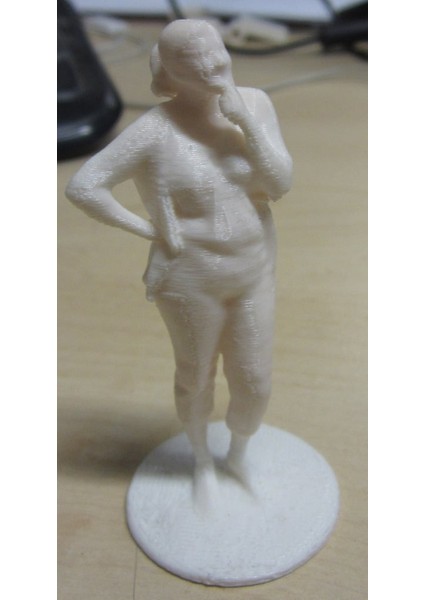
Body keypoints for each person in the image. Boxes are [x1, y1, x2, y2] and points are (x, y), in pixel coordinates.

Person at [66, 19, 292, 505]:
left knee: (254, 380)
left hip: (253, 272)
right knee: (195, 375)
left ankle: (238, 455)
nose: (211, 64)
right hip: (191, 279)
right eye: (193, 59)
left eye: (215, 50)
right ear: (171, 70)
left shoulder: (254, 104)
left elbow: (279, 184)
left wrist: (246, 124)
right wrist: (147, 229)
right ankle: (202, 462)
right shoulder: (154, 130)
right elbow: (84, 186)